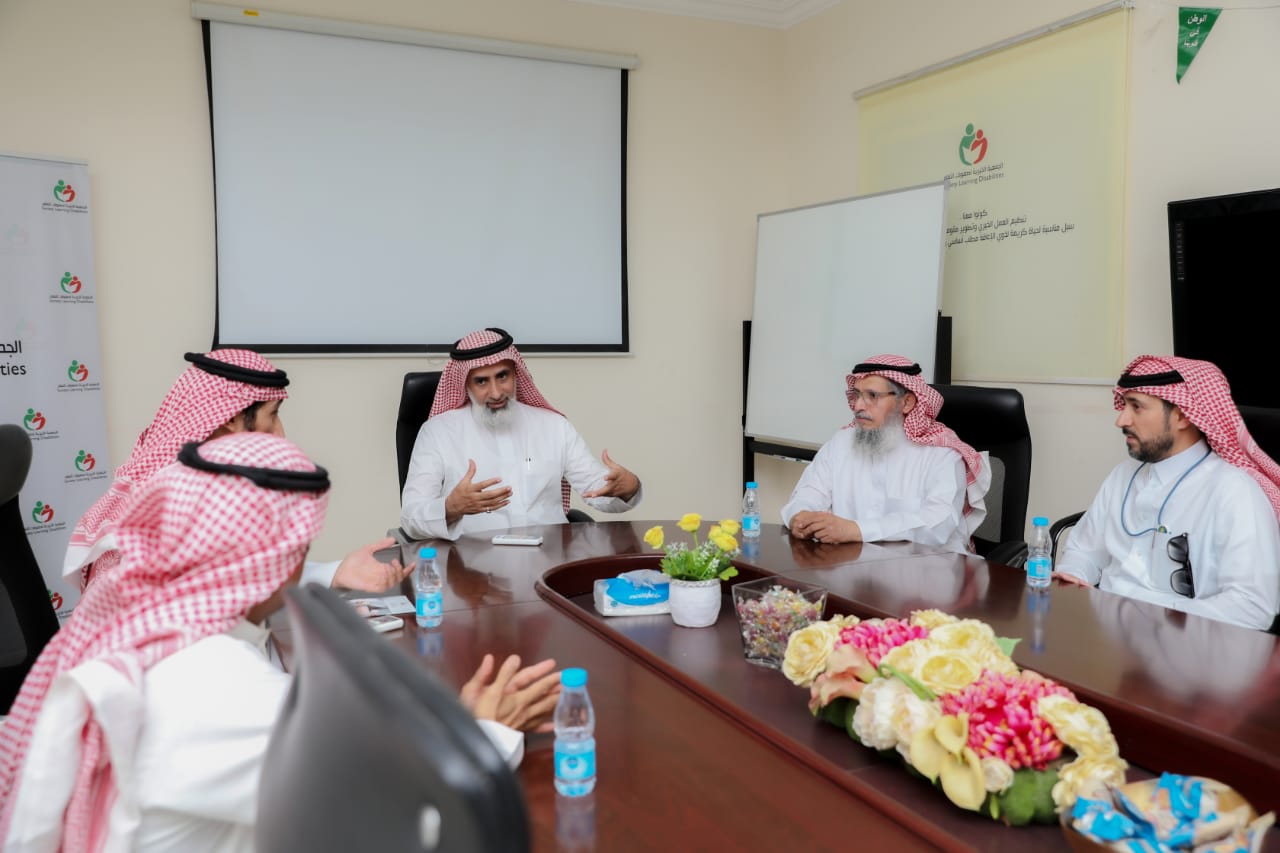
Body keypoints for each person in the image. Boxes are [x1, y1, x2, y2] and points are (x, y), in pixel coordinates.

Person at [0, 433, 561, 852]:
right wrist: (480, 735)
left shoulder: (143, 627)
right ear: (280, 557)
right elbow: (405, 829)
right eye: (300, 544)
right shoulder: (218, 682)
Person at [63, 349, 409, 593]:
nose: (280, 434)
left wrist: (335, 572)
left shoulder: (196, 479)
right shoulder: (176, 500)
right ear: (230, 418)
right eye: (273, 415)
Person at [1053, 355, 1280, 631]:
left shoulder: (1235, 492)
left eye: (1137, 407)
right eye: (1124, 405)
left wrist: (1153, 618)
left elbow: (1252, 607)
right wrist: (1073, 576)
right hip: (1107, 634)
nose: (1121, 420)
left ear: (1183, 414)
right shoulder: (1123, 475)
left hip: (1186, 644)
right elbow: (1085, 550)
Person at [400, 327, 642, 540]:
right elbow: (411, 517)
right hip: (470, 565)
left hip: (550, 559)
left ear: (516, 373)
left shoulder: (554, 426)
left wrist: (628, 488)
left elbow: (597, 489)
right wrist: (451, 508)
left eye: (502, 376)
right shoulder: (438, 432)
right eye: (482, 381)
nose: (496, 392)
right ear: (465, 384)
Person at [781, 355, 990, 553]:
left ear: (907, 403)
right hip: (852, 565)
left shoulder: (941, 454)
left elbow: (938, 523)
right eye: (857, 395)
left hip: (926, 569)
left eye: (873, 396)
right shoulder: (841, 443)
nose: (858, 406)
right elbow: (809, 493)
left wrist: (856, 530)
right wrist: (800, 517)